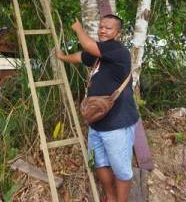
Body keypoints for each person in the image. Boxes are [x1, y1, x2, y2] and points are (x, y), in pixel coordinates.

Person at [56, 15, 138, 202]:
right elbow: (80, 56)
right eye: (101, 27)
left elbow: (88, 47)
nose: (102, 30)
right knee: (99, 163)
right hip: (97, 124)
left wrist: (78, 28)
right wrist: (62, 56)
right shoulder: (100, 54)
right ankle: (110, 197)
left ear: (118, 33)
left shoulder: (118, 50)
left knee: (121, 170)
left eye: (108, 28)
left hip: (118, 124)